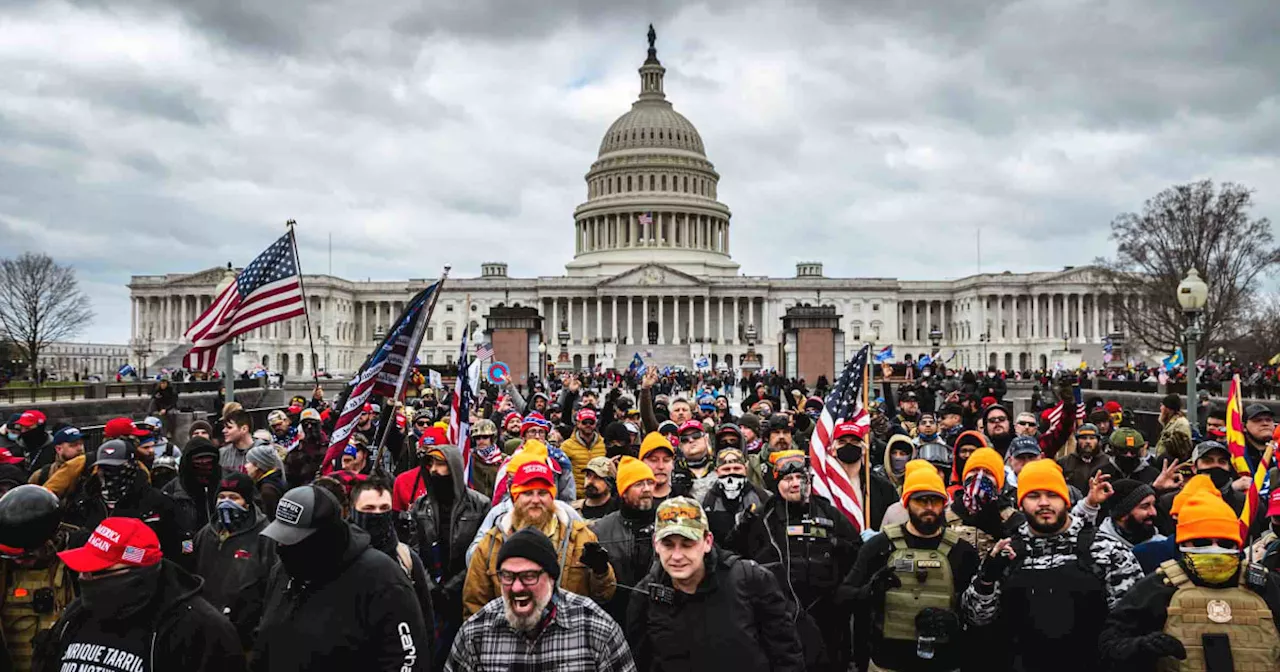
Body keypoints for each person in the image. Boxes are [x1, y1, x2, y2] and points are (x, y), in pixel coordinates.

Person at [962, 459, 1144, 671]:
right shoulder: (1007, 553)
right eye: (1033, 496)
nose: (1044, 503)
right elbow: (976, 617)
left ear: (1066, 500)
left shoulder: (1106, 550)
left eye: (1052, 495)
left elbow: (1132, 624)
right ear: (1020, 504)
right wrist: (987, 577)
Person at [254, 485, 429, 671]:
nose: (283, 546)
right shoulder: (282, 572)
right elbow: (265, 644)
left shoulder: (382, 579)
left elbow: (406, 659)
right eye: (280, 537)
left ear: (322, 538)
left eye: (293, 539)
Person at [1099, 491, 1280, 670]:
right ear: (1183, 545)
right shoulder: (1159, 586)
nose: (1215, 550)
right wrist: (1141, 647)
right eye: (1202, 543)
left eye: (1225, 544)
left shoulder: (1264, 585)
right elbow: (1110, 643)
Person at [625, 497, 805, 672]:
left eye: (687, 544)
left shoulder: (750, 580)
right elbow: (640, 661)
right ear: (656, 544)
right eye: (668, 545)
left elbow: (786, 655)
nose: (677, 556)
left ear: (707, 541)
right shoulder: (645, 596)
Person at [46, 517, 245, 671]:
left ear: (134, 573)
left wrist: (187, 551)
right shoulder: (77, 615)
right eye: (82, 569)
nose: (83, 577)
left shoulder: (200, 629)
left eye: (96, 571)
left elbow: (186, 543)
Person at [840, 460, 980, 672]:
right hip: (888, 662)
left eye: (936, 500)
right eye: (921, 501)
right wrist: (869, 593)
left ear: (944, 503)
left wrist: (956, 621)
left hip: (944, 663)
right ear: (906, 503)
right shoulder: (880, 546)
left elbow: (979, 612)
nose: (929, 508)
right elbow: (842, 597)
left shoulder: (962, 551)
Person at [732, 450, 861, 671]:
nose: (795, 484)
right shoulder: (762, 517)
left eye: (801, 478)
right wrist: (741, 529)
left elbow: (858, 555)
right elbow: (734, 557)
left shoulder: (829, 512)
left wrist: (838, 548)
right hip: (781, 615)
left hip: (827, 615)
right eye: (788, 479)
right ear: (777, 482)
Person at [446, 527, 637, 672]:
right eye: (508, 576)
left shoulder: (596, 629)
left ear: (552, 578)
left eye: (529, 576)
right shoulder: (475, 633)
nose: (517, 587)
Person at [462, 458, 616, 618]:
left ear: (552, 497)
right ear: (515, 497)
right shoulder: (491, 544)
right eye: (527, 493)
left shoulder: (580, 538)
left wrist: (601, 572)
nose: (535, 500)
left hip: (569, 637)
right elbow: (474, 606)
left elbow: (604, 596)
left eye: (542, 493)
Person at [404, 443, 490, 670]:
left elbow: (481, 552)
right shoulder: (420, 507)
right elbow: (414, 550)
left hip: (465, 590)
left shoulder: (479, 505)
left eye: (441, 464)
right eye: (430, 463)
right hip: (430, 593)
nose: (434, 470)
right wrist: (430, 585)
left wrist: (454, 584)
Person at [349, 477, 436, 664]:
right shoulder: (338, 557)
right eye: (368, 509)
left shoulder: (406, 558)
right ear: (353, 510)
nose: (377, 514)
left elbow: (425, 620)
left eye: (384, 509)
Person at [192, 473, 278, 648]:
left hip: (244, 632)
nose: (226, 502)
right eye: (221, 497)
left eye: (234, 497)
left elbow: (273, 583)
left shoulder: (265, 536)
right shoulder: (205, 533)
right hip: (204, 625)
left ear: (247, 501)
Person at [64, 439, 184, 561]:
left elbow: (183, 544)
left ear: (132, 466)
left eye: (115, 468)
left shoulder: (159, 502)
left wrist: (121, 552)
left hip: (146, 574)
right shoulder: (84, 503)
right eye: (104, 468)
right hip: (91, 574)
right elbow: (72, 544)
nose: (108, 474)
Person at [0, 485, 77, 671]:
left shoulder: (78, 562)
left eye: (26, 556)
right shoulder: (4, 571)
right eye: (12, 558)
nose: (18, 562)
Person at [591, 456, 658, 627]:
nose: (646, 489)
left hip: (658, 620)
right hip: (615, 620)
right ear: (623, 492)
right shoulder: (600, 531)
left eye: (649, 483)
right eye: (638, 484)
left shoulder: (668, 524)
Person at [700, 445, 767, 542]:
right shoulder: (706, 501)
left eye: (737, 468)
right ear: (717, 472)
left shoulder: (763, 497)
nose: (732, 473)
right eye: (726, 469)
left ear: (746, 469)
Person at [561, 408, 606, 494]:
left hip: (599, 494)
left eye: (591, 422)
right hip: (576, 496)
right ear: (578, 423)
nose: (588, 425)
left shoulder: (604, 444)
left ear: (595, 424)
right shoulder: (566, 446)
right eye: (584, 422)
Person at [1095, 427, 1160, 484]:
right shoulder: (1101, 473)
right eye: (1123, 451)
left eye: (1133, 451)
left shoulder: (1152, 474)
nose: (1129, 455)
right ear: (1113, 450)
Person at [1057, 422, 1103, 493]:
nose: (1088, 441)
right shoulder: (1064, 462)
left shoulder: (1107, 462)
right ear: (1077, 440)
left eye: (1092, 438)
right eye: (1084, 438)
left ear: (1098, 441)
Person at [245, 444, 287, 521]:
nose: (246, 466)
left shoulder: (267, 490)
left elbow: (269, 519)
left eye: (248, 462)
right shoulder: (273, 482)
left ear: (257, 465)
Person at [466, 419, 502, 497]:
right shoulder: (469, 459)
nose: (481, 441)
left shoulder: (503, 460)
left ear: (492, 438)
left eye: (485, 437)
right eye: (477, 438)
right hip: (476, 503)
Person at [1154, 392, 1194, 462]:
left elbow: (1184, 448)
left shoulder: (1181, 423)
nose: (1161, 408)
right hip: (1163, 461)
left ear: (1168, 409)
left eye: (1162, 406)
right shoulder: (1168, 422)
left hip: (1173, 463)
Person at [639, 431, 677, 504]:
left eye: (666, 460)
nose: (661, 466)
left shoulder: (684, 499)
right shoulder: (631, 502)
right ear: (641, 463)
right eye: (653, 460)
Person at [220, 410, 260, 474]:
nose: (224, 431)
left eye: (229, 427)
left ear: (244, 429)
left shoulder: (264, 452)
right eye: (224, 427)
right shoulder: (222, 453)